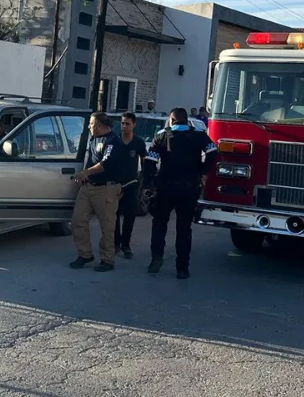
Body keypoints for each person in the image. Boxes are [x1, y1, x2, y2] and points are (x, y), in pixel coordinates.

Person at [143, 107, 217, 279]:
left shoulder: (161, 136)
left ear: (171, 120)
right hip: (188, 188)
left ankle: (156, 257)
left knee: (159, 224)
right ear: (186, 120)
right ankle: (182, 268)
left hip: (164, 188)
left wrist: (148, 185)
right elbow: (213, 151)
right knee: (184, 228)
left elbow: (150, 161)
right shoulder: (198, 135)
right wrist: (203, 171)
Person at [70, 112, 130, 272]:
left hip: (106, 188)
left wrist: (86, 172)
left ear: (100, 125)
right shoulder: (93, 138)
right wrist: (84, 175)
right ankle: (85, 254)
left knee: (107, 226)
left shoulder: (113, 141)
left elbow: (105, 163)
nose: (89, 127)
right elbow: (90, 159)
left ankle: (107, 259)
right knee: (78, 220)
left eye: (91, 124)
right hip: (88, 187)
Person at [114, 112, 148, 259]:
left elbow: (145, 162)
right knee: (113, 216)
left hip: (131, 183)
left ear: (134, 125)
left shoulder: (138, 142)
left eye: (127, 124)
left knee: (130, 215)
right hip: (114, 184)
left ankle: (126, 245)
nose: (124, 126)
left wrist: (145, 182)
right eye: (122, 123)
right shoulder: (114, 140)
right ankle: (115, 244)